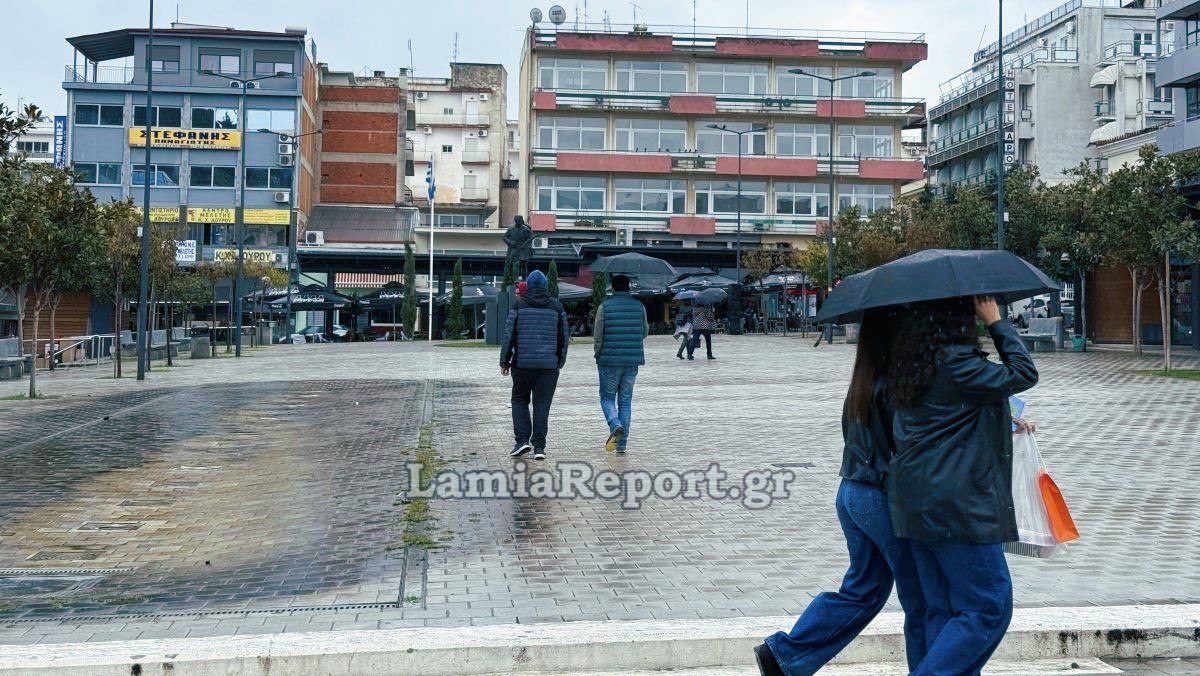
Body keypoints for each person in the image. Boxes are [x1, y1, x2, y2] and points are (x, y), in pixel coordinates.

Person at [755, 308, 927, 676]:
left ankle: (784, 655)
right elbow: (913, 442)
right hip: (881, 499)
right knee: (922, 599)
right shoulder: (897, 382)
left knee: (863, 590)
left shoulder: (863, 379)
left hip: (851, 493)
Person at [887, 295, 1038, 676]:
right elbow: (1023, 372)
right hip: (956, 505)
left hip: (914, 502)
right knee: (989, 606)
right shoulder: (958, 362)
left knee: (942, 607)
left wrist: (1001, 415)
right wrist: (996, 322)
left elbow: (946, 416)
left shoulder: (912, 362)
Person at [499, 270, 570, 461]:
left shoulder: (519, 305)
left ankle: (522, 441)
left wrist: (505, 361)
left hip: (522, 365)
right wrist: (559, 362)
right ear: (546, 286)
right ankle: (539, 447)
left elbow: (509, 336)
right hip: (548, 368)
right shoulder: (557, 307)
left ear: (528, 286)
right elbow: (564, 338)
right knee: (542, 405)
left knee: (519, 400)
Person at [593, 274, 648, 454]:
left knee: (607, 398)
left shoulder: (604, 307)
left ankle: (615, 424)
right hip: (632, 361)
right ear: (629, 287)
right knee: (625, 401)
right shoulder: (639, 307)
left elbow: (598, 336)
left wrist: (598, 354)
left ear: (613, 288)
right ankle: (622, 445)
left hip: (609, 360)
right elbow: (644, 332)